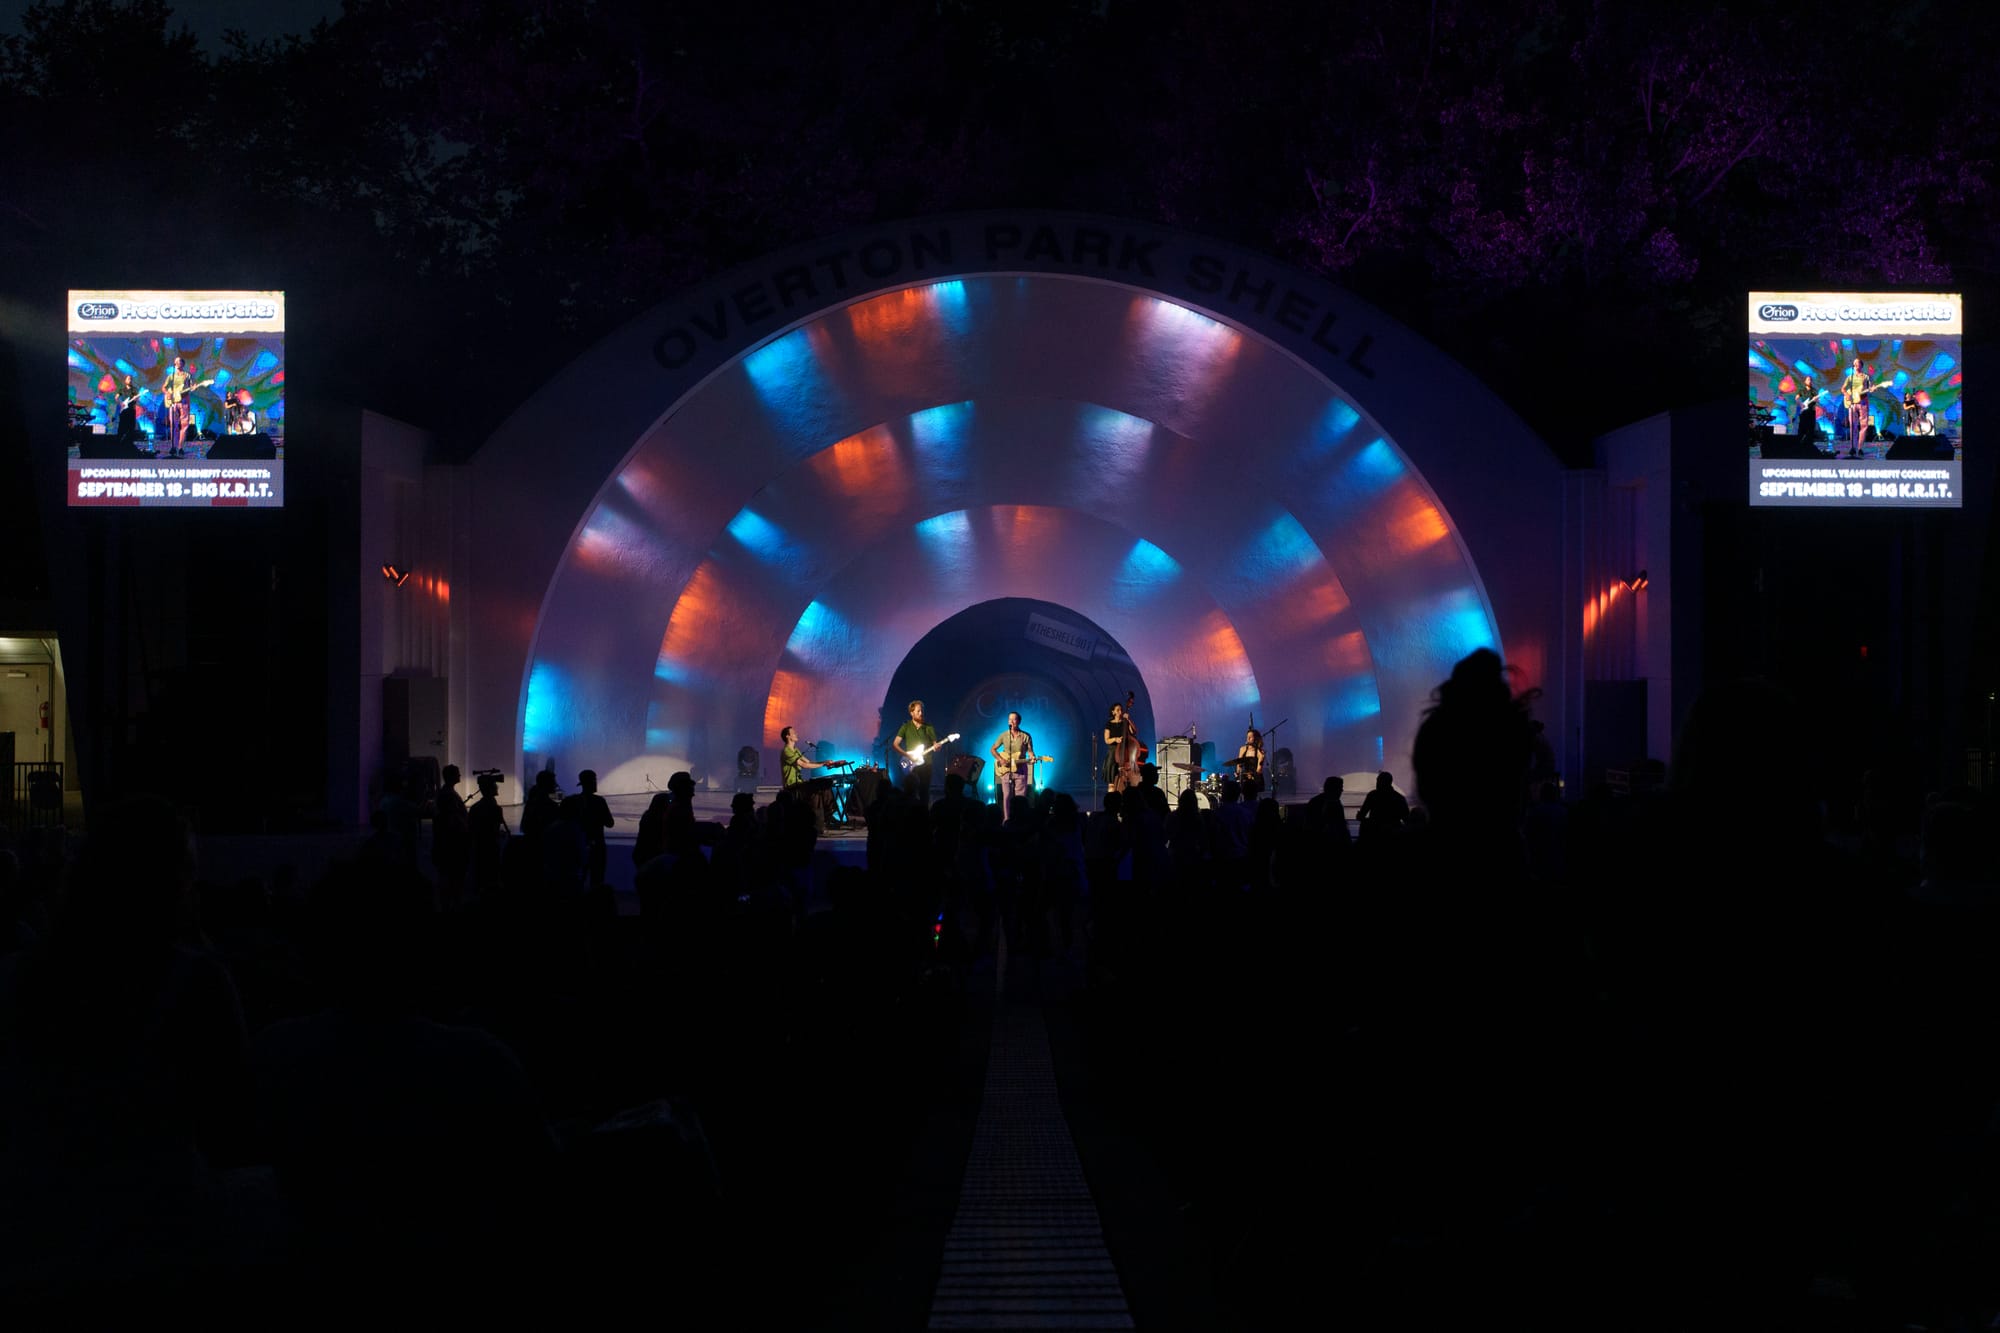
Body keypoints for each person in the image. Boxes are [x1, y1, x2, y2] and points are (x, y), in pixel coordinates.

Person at [990, 711, 1045, 823]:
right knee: (1007, 796)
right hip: (1006, 770)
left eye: (1014, 719)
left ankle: (1020, 820)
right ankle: (1006, 820)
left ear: (1019, 721)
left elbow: (1030, 751)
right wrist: (1001, 759)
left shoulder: (1026, 736)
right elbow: (993, 749)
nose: (1011, 721)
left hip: (1020, 770)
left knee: (1020, 797)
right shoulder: (1003, 735)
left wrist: (1032, 757)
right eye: (1009, 719)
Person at [431, 765, 469, 909]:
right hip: (451, 843)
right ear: (451, 776)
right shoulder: (448, 795)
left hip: (447, 841)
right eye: (457, 774)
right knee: (451, 875)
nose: (460, 776)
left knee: (447, 875)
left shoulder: (445, 793)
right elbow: (452, 820)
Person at [780, 727, 833, 831]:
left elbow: (808, 762)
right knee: (815, 791)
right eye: (793, 733)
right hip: (792, 785)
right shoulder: (787, 751)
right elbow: (804, 765)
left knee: (826, 786)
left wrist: (825, 762)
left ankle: (829, 817)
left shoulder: (795, 750)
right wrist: (822, 764)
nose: (796, 734)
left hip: (799, 783)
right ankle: (817, 824)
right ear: (787, 736)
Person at [571, 769, 614, 889]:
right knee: (597, 879)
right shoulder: (599, 801)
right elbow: (610, 823)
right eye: (594, 780)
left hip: (579, 844)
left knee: (579, 879)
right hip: (597, 845)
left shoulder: (574, 800)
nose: (596, 783)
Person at [891, 699, 939, 805]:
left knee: (924, 791)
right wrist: (907, 755)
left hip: (926, 764)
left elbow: (935, 744)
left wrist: (936, 747)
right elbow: (895, 744)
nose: (921, 713)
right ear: (911, 713)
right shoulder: (906, 727)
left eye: (922, 711)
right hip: (911, 764)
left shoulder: (928, 727)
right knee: (910, 792)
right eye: (918, 711)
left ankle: (924, 812)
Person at [1356, 770, 1409, 842]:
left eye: (1378, 781)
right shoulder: (1399, 798)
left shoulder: (1372, 795)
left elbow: (1361, 816)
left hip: (1374, 835)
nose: (1377, 784)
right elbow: (1407, 820)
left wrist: (1365, 820)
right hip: (1393, 835)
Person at [1839, 355, 1874, 458]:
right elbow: (1843, 389)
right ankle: (1853, 447)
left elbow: (1871, 387)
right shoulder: (1850, 377)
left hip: (1863, 403)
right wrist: (1847, 395)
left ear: (1861, 365)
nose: (1855, 365)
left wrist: (1872, 389)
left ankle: (1860, 447)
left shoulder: (1866, 377)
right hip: (1852, 404)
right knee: (1853, 425)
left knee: (1864, 425)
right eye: (1854, 363)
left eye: (1857, 363)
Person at [1236, 727, 1266, 801]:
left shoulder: (1259, 752)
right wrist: (1238, 773)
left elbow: (1259, 770)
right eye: (1247, 736)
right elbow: (1239, 764)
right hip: (1244, 777)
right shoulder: (1242, 749)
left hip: (1256, 778)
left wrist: (1252, 775)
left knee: (1253, 798)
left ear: (1256, 739)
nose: (1248, 738)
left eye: (1250, 737)